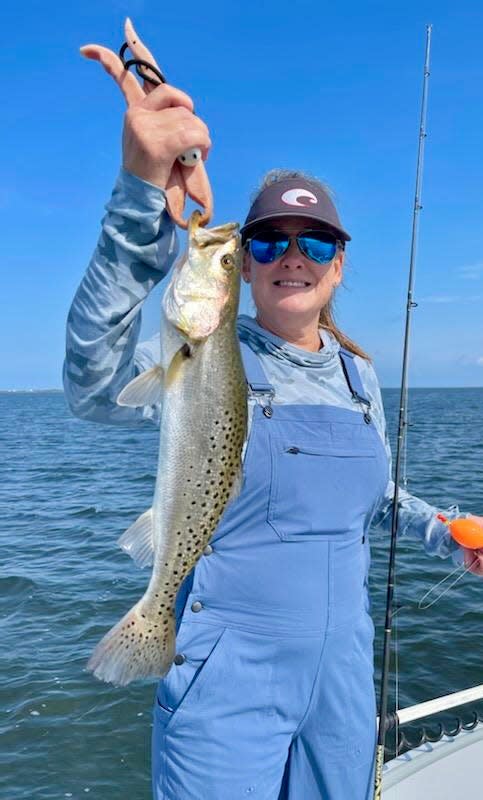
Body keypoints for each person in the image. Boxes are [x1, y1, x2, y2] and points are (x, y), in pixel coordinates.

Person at [63, 80, 483, 800]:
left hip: (343, 677)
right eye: (265, 242)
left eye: (314, 240)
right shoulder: (204, 353)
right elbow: (93, 384)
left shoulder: (358, 375)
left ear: (338, 263)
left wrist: (445, 531)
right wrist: (139, 200)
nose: (293, 255)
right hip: (228, 676)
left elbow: (370, 498)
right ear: (247, 265)